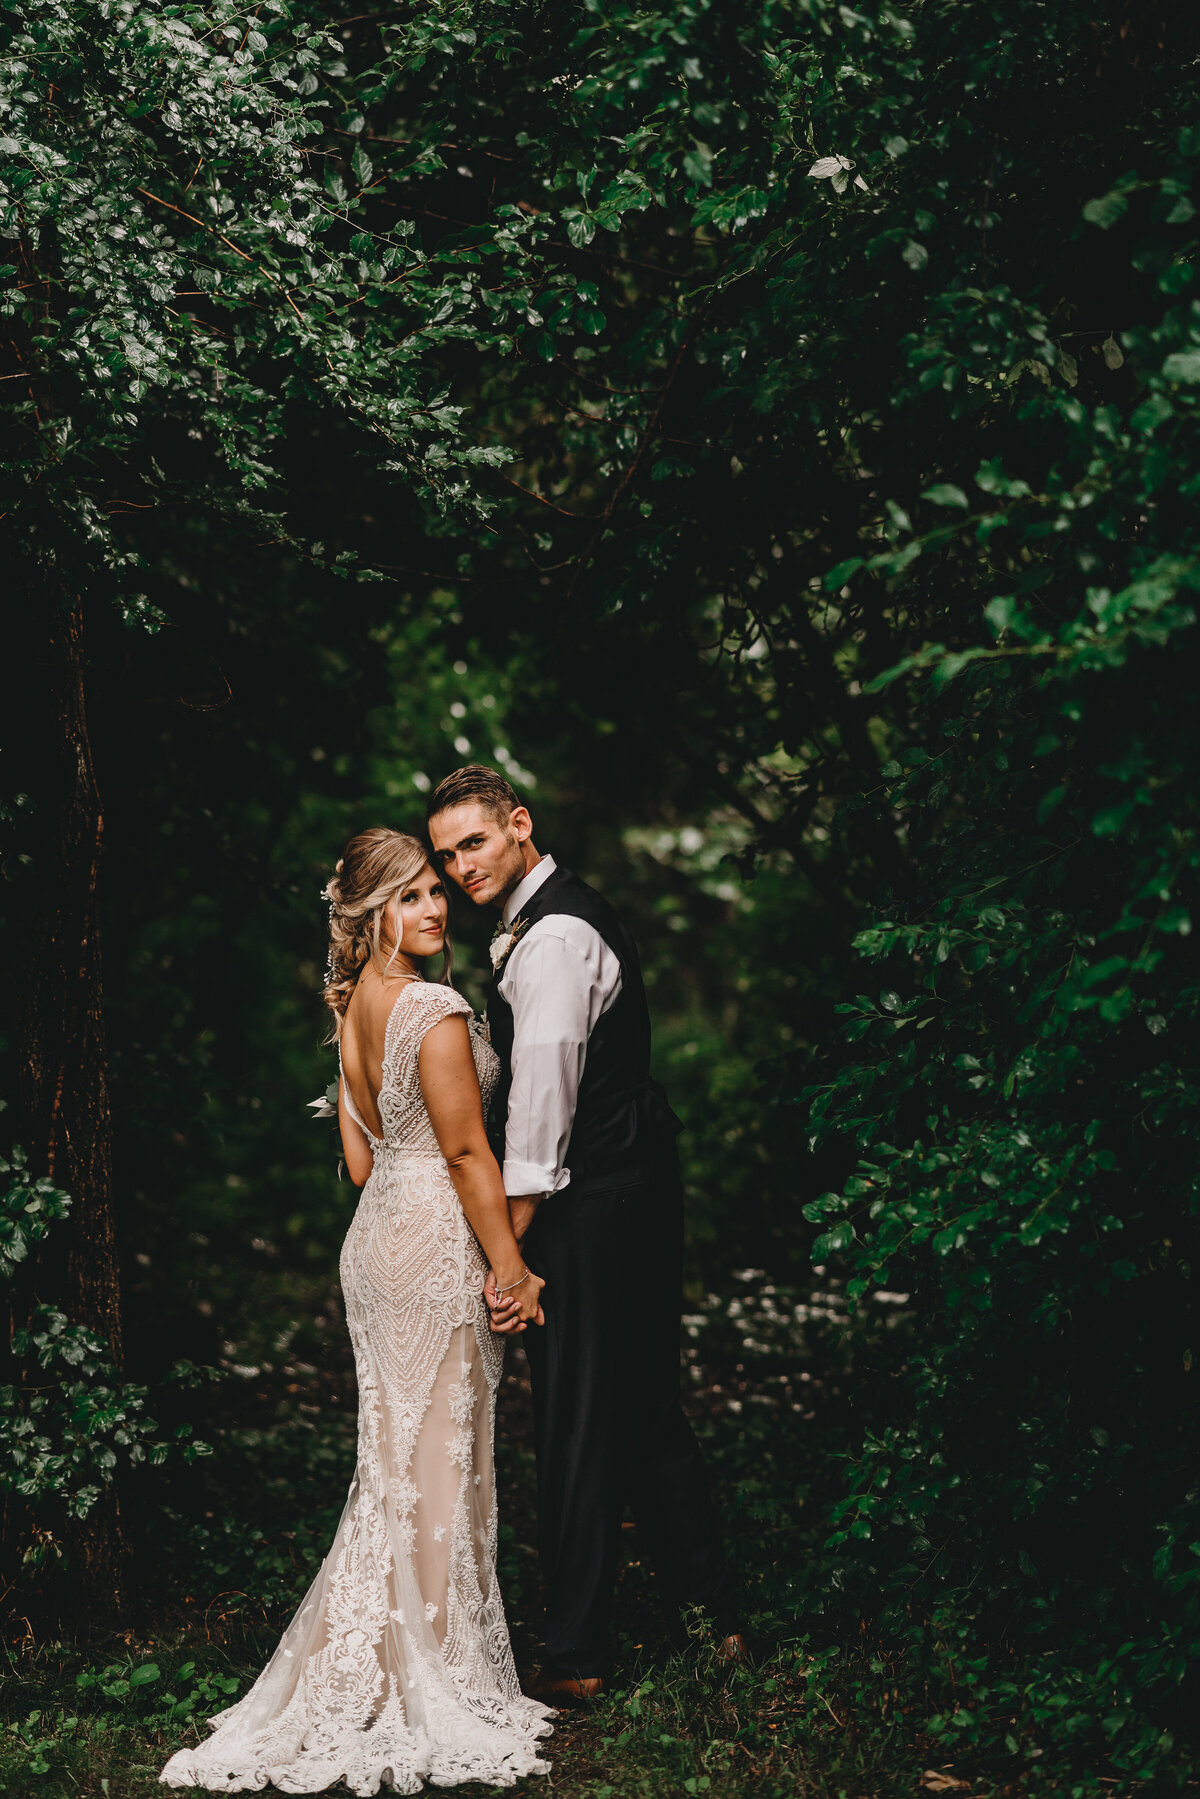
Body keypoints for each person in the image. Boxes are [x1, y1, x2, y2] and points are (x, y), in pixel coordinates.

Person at [161, 829, 553, 1794]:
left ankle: (389, 1657)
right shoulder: (433, 1005)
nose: (435, 908)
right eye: (412, 895)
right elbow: (467, 1156)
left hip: (376, 1238)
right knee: (436, 1456)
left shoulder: (355, 1010)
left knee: (400, 1461)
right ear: (370, 910)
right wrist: (512, 1271)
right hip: (432, 1242)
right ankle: (432, 1667)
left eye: (436, 893)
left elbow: (362, 1162)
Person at [427, 766, 745, 1705]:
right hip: (632, 1185)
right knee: (645, 1401)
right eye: (445, 854)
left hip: (591, 1200)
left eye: (473, 842)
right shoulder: (555, 913)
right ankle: (714, 1613)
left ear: (519, 824)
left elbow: (542, 1107)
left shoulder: (556, 934)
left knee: (575, 1416)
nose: (458, 866)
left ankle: (573, 1652)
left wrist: (509, 1257)